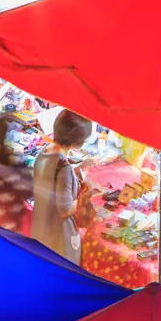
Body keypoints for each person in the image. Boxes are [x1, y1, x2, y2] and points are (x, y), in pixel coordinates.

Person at [31, 109, 97, 263]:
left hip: (40, 227)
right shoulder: (64, 168)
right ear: (78, 141)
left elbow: (51, 177)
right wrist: (88, 194)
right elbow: (65, 209)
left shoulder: (44, 151)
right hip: (58, 237)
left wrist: (79, 168)